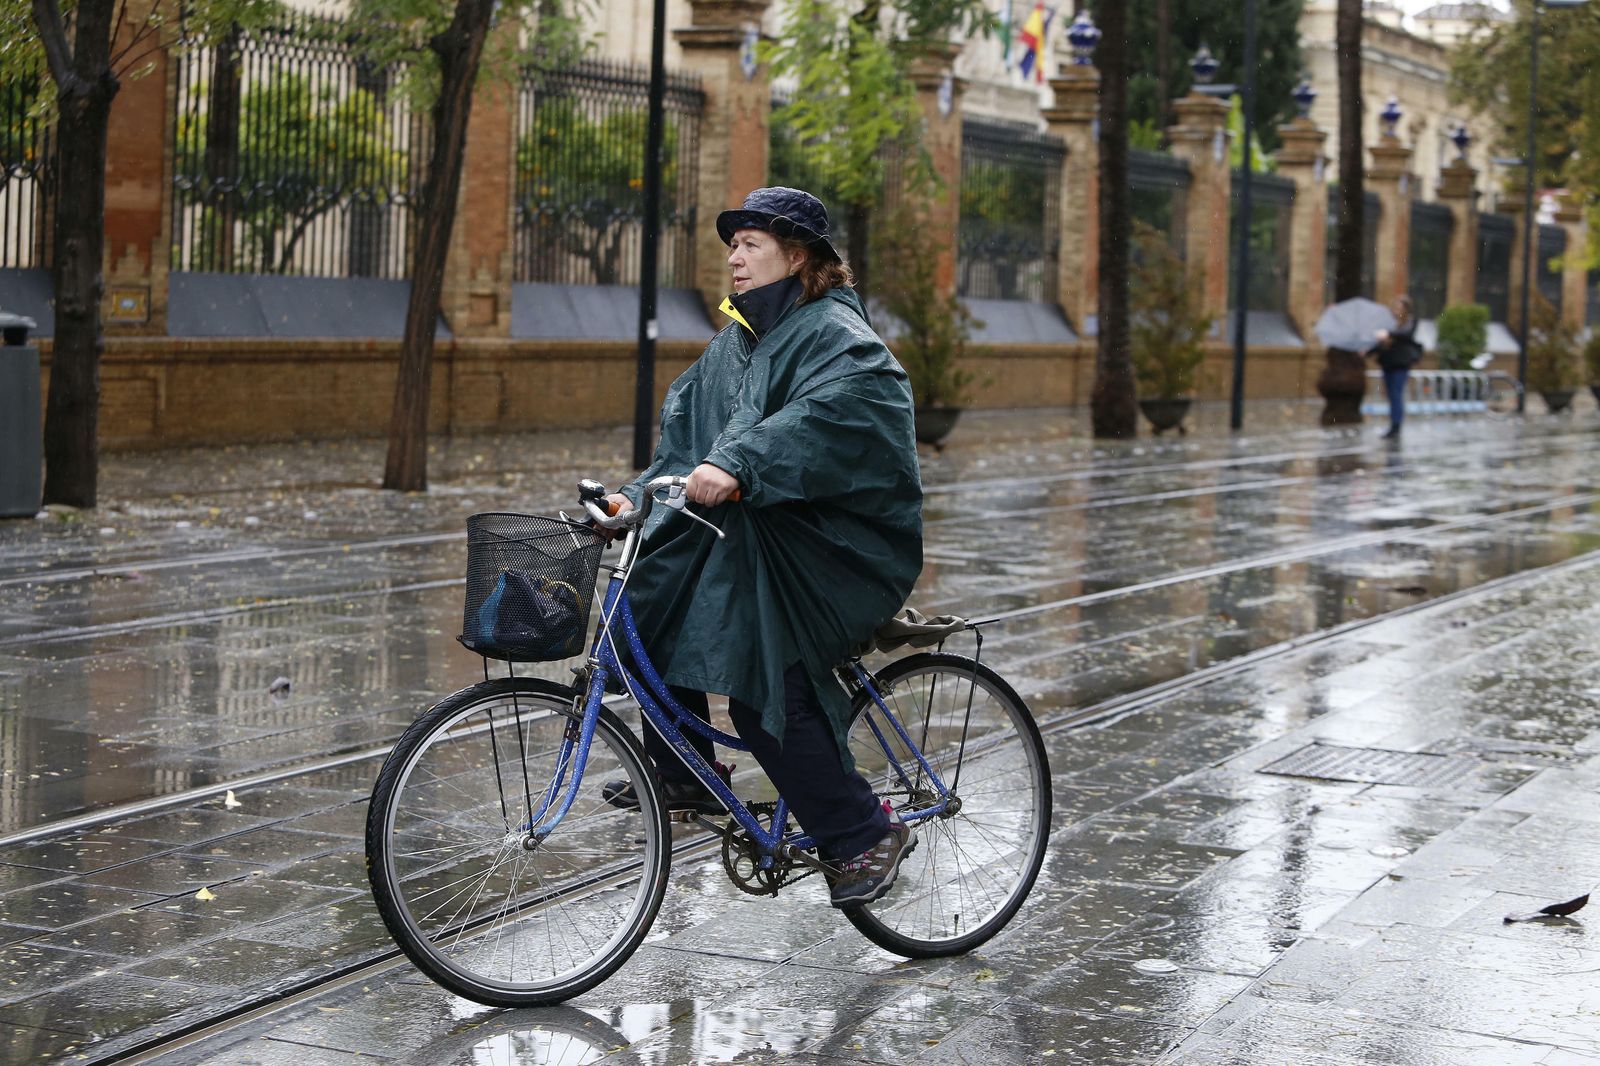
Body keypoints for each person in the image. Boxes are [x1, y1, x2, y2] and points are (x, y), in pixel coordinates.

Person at [598, 187, 925, 909]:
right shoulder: (737, 342)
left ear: (798, 256)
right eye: (732, 246)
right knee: (646, 601)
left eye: (750, 245)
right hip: (758, 534)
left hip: (834, 548)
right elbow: (688, 446)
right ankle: (684, 770)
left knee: (759, 685)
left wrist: (743, 461)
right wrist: (633, 496)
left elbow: (833, 414)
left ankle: (863, 830)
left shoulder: (836, 333)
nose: (734, 258)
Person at [1369, 294, 1422, 439]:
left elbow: (1405, 335)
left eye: (1399, 307)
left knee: (1396, 394)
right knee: (1390, 395)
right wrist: (1368, 351)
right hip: (1388, 363)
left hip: (1400, 364)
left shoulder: (1409, 322)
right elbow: (1380, 344)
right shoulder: (1389, 323)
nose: (1396, 309)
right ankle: (1393, 424)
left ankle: (1396, 426)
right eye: (1395, 306)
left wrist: (1389, 334)